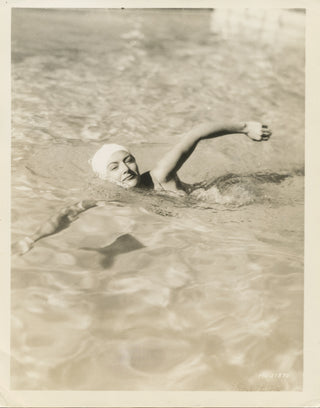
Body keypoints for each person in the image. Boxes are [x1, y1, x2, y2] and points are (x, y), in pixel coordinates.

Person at [12, 120, 271, 255]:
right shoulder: (110, 195)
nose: (126, 169)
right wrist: (31, 238)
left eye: (128, 160)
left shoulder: (159, 176)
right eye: (114, 167)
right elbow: (68, 213)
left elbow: (193, 136)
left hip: (224, 199)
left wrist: (245, 127)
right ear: (104, 177)